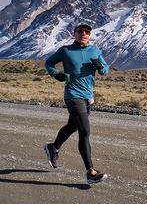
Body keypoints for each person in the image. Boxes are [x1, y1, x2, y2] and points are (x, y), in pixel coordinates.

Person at [43, 24, 109, 184]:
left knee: (72, 126)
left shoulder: (95, 50)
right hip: (72, 95)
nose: (83, 34)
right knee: (84, 130)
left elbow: (105, 69)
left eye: (87, 32)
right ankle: (90, 171)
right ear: (74, 34)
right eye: (80, 31)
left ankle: (53, 147)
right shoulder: (66, 51)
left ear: (90, 35)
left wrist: (100, 67)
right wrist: (56, 74)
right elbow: (49, 63)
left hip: (87, 97)